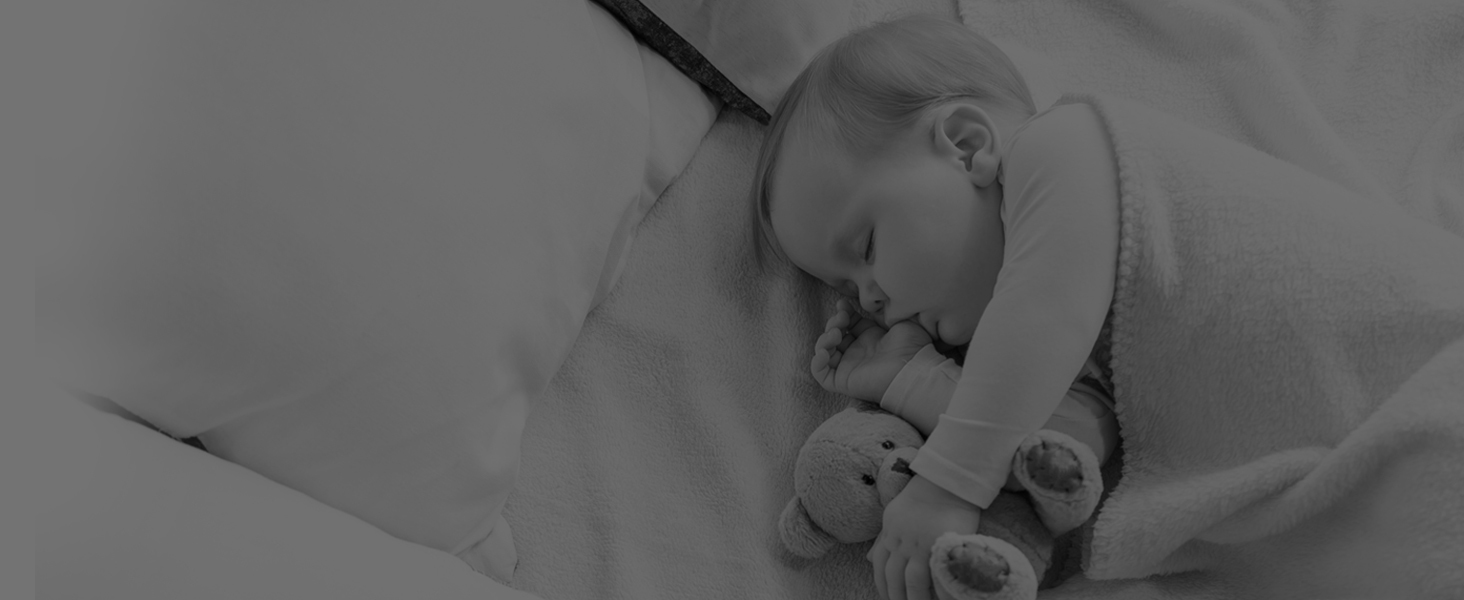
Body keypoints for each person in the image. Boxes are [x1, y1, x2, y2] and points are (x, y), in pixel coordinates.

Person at [750, 14, 1123, 600]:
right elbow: (1056, 438)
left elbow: (1047, 313)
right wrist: (908, 378)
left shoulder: (1065, 148)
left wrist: (947, 486)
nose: (869, 298)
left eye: (866, 248)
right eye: (845, 289)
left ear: (967, 146)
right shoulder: (1047, 368)